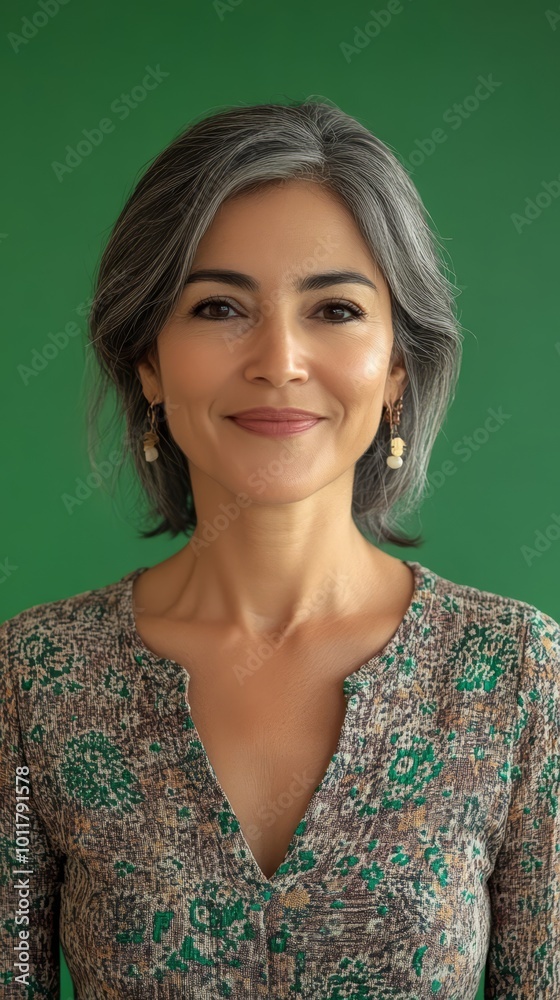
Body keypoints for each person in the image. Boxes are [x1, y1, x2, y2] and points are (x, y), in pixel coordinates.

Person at [1, 99, 558, 1000]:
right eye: (220, 306)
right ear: (148, 360)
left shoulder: (516, 677)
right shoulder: (36, 678)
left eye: (334, 309)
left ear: (397, 368)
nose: (279, 360)